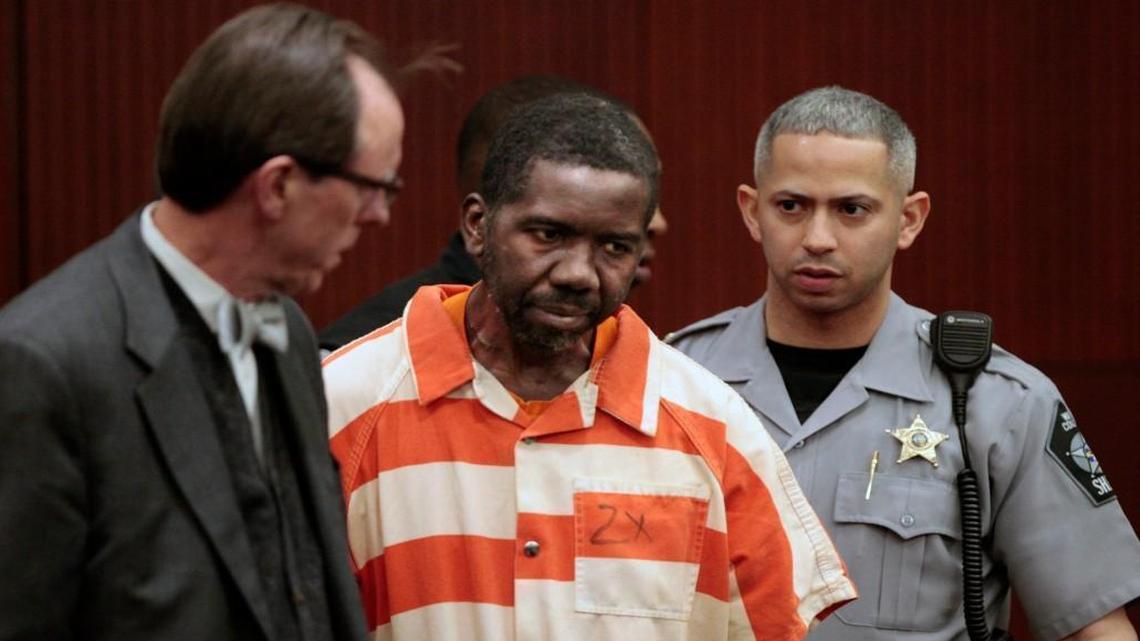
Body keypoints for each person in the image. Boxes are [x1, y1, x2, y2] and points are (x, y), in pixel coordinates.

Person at [322, 92, 855, 641]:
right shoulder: (345, 404)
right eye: (549, 235)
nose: (579, 272)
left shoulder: (714, 428)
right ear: (478, 226)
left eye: (614, 247)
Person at [667, 86, 1140, 641]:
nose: (818, 239)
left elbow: (1096, 629)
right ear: (752, 212)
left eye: (852, 210)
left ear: (909, 220)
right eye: (791, 206)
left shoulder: (996, 402)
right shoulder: (675, 382)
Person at [0, 4, 405, 639]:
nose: (379, 214)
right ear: (277, 187)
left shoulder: (291, 332)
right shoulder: (43, 361)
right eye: (372, 186)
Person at [318, 74, 668, 352]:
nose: (657, 223)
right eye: (550, 233)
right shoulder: (352, 376)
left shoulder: (690, 399)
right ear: (478, 221)